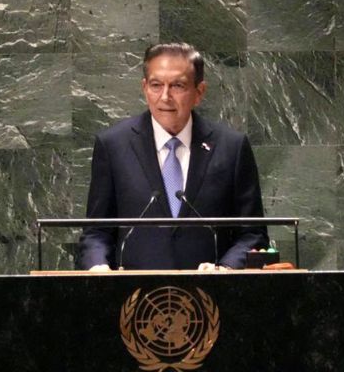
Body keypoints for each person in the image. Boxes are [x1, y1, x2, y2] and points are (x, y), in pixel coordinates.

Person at [79, 42, 268, 271]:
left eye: (177, 86)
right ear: (144, 87)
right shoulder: (113, 145)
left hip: (213, 297)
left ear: (199, 92)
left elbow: (252, 234)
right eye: (156, 85)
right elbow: (97, 231)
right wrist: (97, 265)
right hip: (135, 299)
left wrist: (225, 269)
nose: (165, 97)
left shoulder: (231, 147)